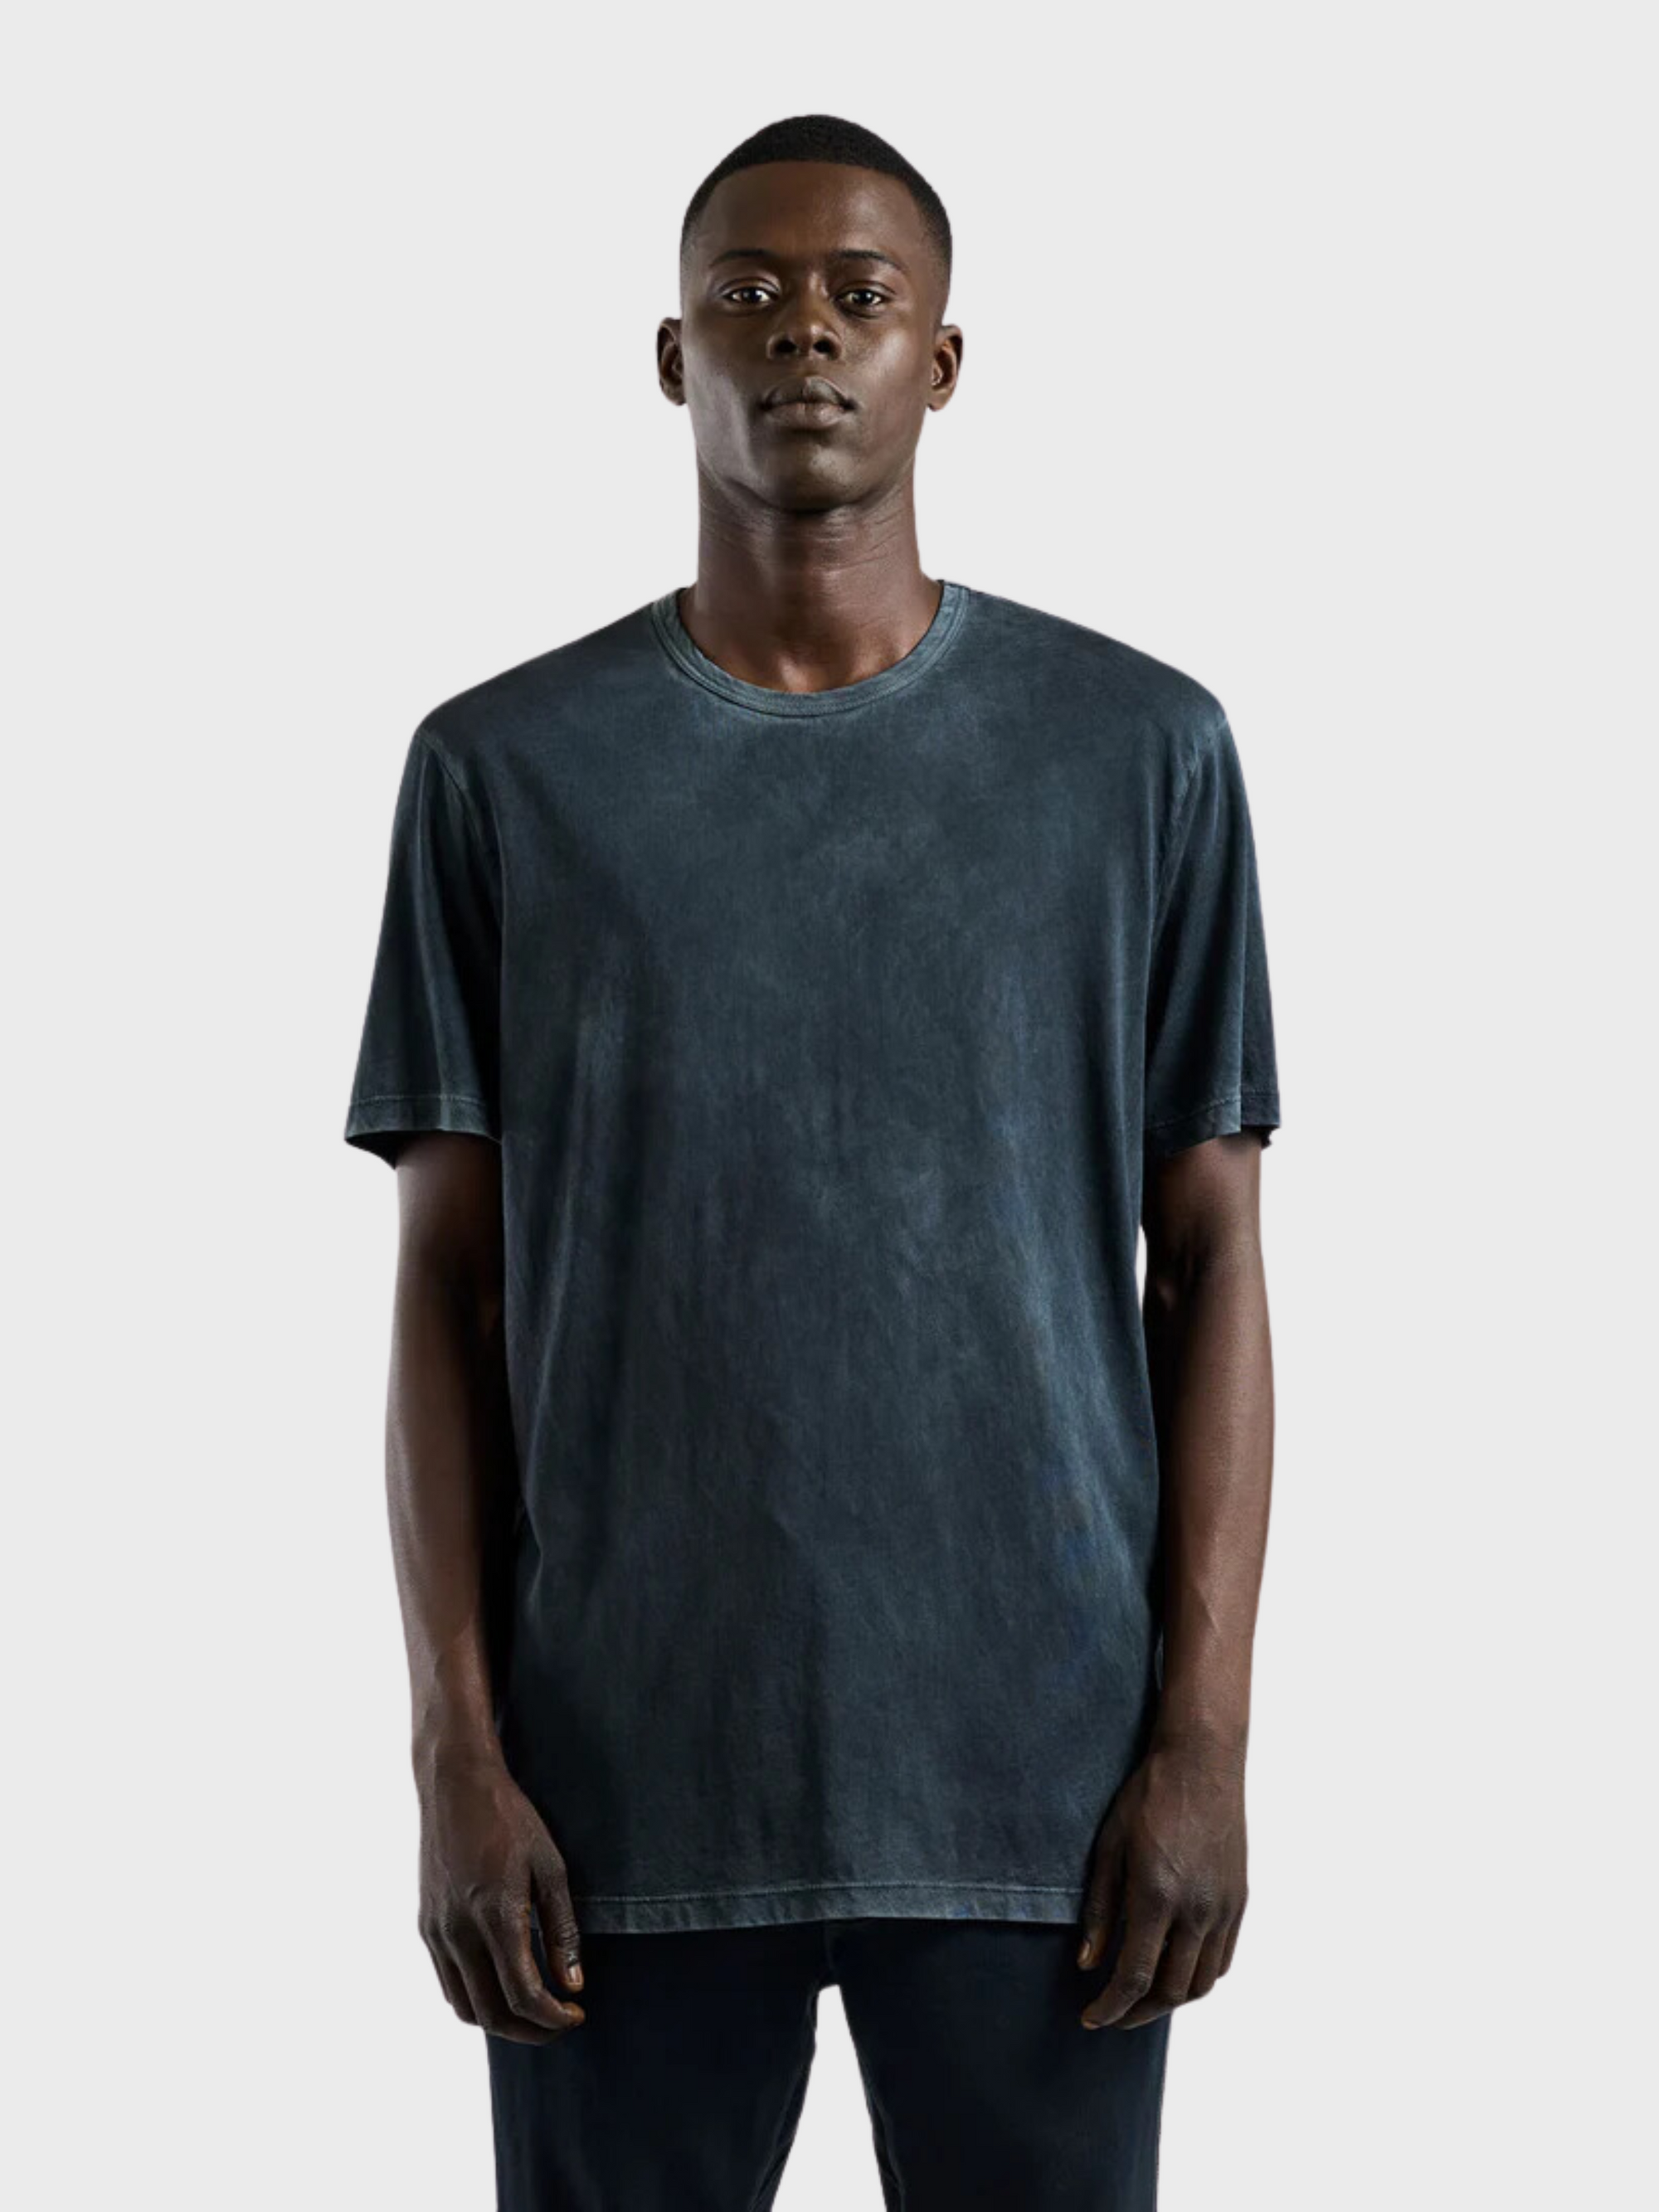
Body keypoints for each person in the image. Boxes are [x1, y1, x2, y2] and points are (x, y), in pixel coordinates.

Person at [343, 110, 1281, 2212]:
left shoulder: (1139, 753)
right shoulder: (501, 771)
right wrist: (454, 1753)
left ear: (940, 358)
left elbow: (1212, 1256)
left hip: (1039, 1793)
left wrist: (1203, 1738)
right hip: (618, 1798)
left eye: (860, 295)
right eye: (747, 293)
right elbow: (445, 1289)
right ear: (670, 356)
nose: (803, 334)